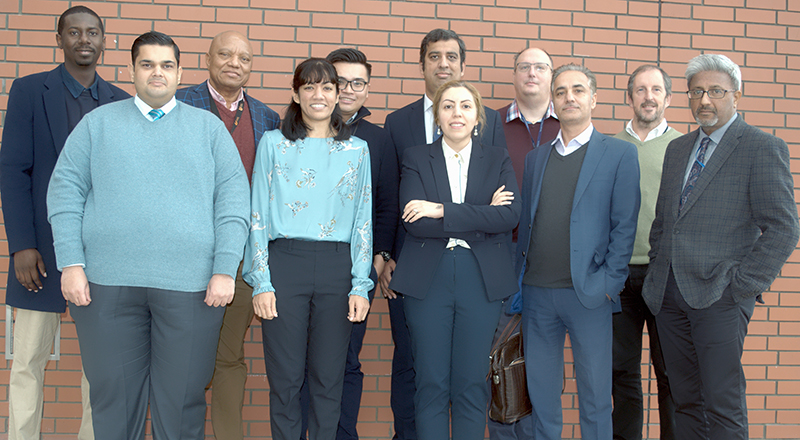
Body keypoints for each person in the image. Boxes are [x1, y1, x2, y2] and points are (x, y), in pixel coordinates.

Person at [46, 31, 250, 439]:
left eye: (167, 65)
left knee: (182, 403)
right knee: (114, 402)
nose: (157, 72)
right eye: (147, 64)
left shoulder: (208, 130)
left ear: (179, 72)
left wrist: (225, 269)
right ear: (131, 70)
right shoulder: (96, 125)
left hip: (191, 289)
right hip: (106, 287)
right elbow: (64, 193)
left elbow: (233, 206)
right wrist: (71, 263)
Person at [642, 54, 800, 440]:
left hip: (720, 295)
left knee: (722, 402)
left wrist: (742, 287)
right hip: (669, 294)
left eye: (715, 91)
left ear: (736, 95)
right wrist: (657, 266)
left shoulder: (761, 147)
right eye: (696, 92)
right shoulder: (678, 149)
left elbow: (783, 227)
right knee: (684, 400)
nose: (705, 100)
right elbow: (665, 222)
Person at [0, 6, 128, 439]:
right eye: (74, 32)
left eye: (92, 32)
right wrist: (21, 245)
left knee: (101, 367)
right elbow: (13, 170)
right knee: (27, 362)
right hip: (40, 253)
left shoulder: (120, 103)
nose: (84, 40)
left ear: (104, 40)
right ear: (60, 39)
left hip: (101, 256)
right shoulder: (30, 90)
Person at [381, 29, 506, 439]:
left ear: (477, 116)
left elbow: (508, 216)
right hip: (426, 276)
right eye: (448, 105)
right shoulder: (414, 153)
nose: (456, 112)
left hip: (480, 277)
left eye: (465, 105)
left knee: (471, 384)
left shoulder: (496, 156)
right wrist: (477, 214)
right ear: (437, 114)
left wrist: (441, 210)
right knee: (430, 383)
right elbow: (412, 219)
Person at [243, 57, 373, 440]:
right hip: (285, 264)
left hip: (337, 266)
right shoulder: (274, 143)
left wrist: (359, 284)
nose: (319, 95)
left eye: (327, 87)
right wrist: (261, 280)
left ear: (338, 94)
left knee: (328, 380)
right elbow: (257, 214)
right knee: (285, 379)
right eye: (310, 87)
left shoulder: (357, 150)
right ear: (296, 94)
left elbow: (363, 219)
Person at [514, 64, 640, 440]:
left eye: (579, 90)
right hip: (537, 295)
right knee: (542, 396)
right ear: (553, 101)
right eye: (562, 91)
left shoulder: (619, 154)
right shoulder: (536, 158)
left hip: (589, 295)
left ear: (594, 99)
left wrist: (609, 283)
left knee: (596, 396)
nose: (570, 97)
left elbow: (625, 226)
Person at [175, 30, 280, 440]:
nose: (234, 62)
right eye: (225, 54)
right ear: (207, 59)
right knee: (183, 358)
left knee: (229, 354)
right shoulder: (179, 104)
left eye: (244, 57)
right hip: (184, 258)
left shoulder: (267, 119)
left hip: (241, 259)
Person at [299, 47, 399, 440]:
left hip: (357, 272)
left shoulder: (378, 139)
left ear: (367, 89)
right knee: (304, 361)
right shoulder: (296, 133)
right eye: (339, 82)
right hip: (303, 268)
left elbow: (388, 205)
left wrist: (377, 263)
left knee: (344, 361)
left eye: (358, 83)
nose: (348, 90)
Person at [491, 46, 560, 440]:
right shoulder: (489, 123)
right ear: (514, 74)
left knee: (544, 366)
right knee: (502, 359)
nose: (532, 73)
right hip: (501, 262)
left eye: (540, 67)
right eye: (524, 67)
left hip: (553, 267)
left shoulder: (569, 123)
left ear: (551, 75)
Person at [612, 64, 680, 440]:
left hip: (665, 275)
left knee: (669, 371)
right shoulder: (609, 146)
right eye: (640, 89)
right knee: (621, 372)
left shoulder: (684, 146)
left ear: (668, 98)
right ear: (630, 97)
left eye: (656, 90)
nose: (648, 96)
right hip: (619, 275)